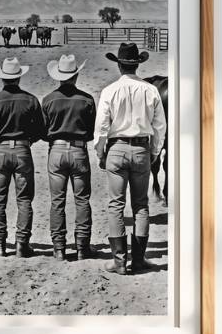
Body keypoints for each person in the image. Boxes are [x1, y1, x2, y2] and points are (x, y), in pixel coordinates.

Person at [92, 42, 166, 275]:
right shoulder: (150, 90)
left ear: (119, 65)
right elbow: (160, 127)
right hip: (142, 148)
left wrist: (100, 151)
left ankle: (119, 261)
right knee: (141, 205)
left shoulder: (109, 91)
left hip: (117, 148)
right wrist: (154, 152)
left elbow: (102, 127)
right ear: (137, 65)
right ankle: (139, 259)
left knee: (116, 205)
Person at [0, 57, 46, 258]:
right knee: (24, 199)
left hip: (0, 151)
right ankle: (22, 243)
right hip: (22, 151)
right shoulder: (31, 99)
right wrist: (27, 142)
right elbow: (41, 130)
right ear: (19, 77)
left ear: (2, 78)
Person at [42, 54, 96, 260]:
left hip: (56, 150)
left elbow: (43, 130)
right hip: (79, 150)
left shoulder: (48, 100)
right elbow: (91, 131)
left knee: (57, 201)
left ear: (58, 76)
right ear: (76, 75)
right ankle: (82, 247)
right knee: (82, 200)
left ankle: (59, 248)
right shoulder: (87, 99)